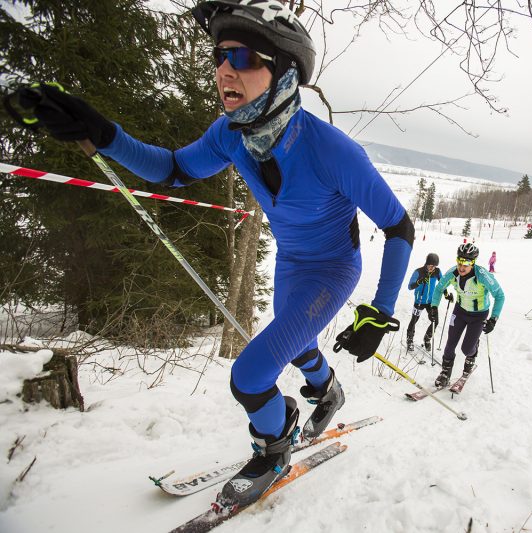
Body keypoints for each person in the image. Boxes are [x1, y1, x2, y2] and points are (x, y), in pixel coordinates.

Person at [16, 0, 413, 510]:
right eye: (220, 55)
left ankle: (274, 448)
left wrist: (379, 312)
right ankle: (328, 390)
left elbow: (399, 226)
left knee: (249, 376)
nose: (226, 68)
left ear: (286, 74)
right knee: (295, 344)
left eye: (245, 57)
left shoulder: (332, 150)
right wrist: (102, 132)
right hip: (293, 262)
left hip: (333, 269)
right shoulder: (231, 135)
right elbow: (173, 169)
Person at [429, 244, 505, 387]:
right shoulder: (453, 273)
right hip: (460, 311)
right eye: (459, 262)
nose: (462, 267)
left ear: (473, 263)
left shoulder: (482, 275)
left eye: (467, 263)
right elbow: (439, 289)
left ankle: (473, 352)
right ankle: (445, 372)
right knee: (450, 344)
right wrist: (433, 307)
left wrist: (494, 319)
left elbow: (500, 296)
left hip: (479, 315)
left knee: (467, 349)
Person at [406, 253, 448, 353]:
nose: (432, 268)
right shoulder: (418, 272)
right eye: (430, 265)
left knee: (435, 321)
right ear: (426, 264)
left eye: (434, 266)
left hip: (431, 302)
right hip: (419, 301)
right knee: (414, 320)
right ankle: (409, 340)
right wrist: (419, 282)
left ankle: (427, 339)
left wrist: (446, 293)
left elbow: (442, 283)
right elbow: (410, 286)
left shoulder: (437, 272)